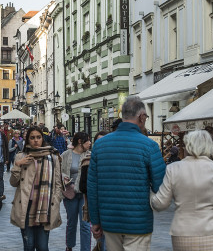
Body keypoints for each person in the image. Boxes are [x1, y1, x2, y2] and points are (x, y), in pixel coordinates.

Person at [87, 97, 166, 250]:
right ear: (141, 117)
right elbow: (160, 186)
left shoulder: (100, 145)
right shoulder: (149, 146)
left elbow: (92, 187)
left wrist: (95, 220)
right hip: (138, 221)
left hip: (109, 219)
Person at [151, 130, 213, 250]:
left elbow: (160, 204)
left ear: (187, 146)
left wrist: (150, 194)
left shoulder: (173, 169)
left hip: (182, 233)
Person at [9, 126, 64, 251]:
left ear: (42, 139)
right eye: (32, 138)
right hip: (26, 205)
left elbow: (57, 183)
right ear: (27, 140)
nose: (35, 140)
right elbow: (13, 183)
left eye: (38, 137)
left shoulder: (53, 157)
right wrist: (18, 165)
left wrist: (56, 200)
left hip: (45, 206)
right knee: (28, 246)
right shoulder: (21, 156)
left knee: (43, 247)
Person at [60, 132, 92, 251]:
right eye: (88, 140)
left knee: (85, 225)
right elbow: (59, 171)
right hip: (70, 193)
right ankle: (69, 246)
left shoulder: (90, 155)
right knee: (72, 222)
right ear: (80, 141)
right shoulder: (66, 154)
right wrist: (64, 177)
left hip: (84, 194)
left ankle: (85, 249)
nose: (90, 143)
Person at [79, 131, 108, 251]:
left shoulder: (113, 162)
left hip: (110, 208)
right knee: (102, 241)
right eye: (98, 142)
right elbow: (83, 187)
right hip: (95, 207)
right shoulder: (87, 161)